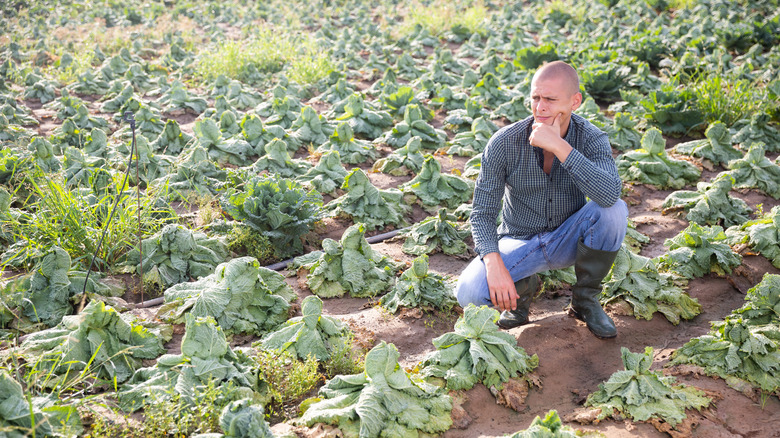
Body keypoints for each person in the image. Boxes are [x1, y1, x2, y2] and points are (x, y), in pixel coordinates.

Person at [455, 61, 628, 339]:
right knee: (470, 292)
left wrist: (560, 147)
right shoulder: (504, 142)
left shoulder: (592, 138)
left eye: (550, 99)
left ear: (575, 101)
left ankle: (584, 301)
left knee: (614, 211)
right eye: (535, 97)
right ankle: (522, 290)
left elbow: (609, 194)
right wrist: (493, 263)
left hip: (568, 237)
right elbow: (482, 213)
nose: (540, 107)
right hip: (519, 240)